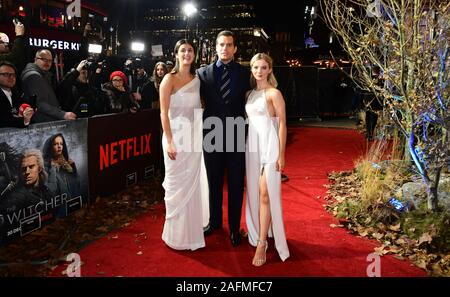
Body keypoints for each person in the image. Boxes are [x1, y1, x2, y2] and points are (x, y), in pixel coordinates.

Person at [197, 30, 250, 247]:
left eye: (229, 45)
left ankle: (235, 228)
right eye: (221, 44)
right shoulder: (202, 74)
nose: (225, 48)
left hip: (237, 133)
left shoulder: (246, 73)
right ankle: (215, 222)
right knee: (214, 183)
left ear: (235, 48)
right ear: (216, 47)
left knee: (237, 184)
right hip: (211, 134)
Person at [159, 39, 209, 250]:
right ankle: (176, 236)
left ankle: (192, 233)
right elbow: (163, 112)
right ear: (176, 54)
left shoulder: (197, 80)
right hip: (174, 139)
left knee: (193, 184)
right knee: (175, 186)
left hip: (193, 139)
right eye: (183, 50)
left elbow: (199, 109)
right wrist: (169, 141)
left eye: (190, 50)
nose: (187, 54)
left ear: (194, 55)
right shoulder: (168, 80)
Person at [245, 53, 290, 266]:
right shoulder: (250, 94)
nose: (259, 71)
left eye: (263, 67)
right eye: (256, 67)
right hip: (252, 147)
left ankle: (262, 243)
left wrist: (281, 154)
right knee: (255, 192)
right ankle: (261, 230)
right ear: (252, 69)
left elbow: (282, 124)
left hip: (270, 146)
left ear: (270, 69)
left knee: (265, 194)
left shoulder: (274, 93)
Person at [21, 49, 77, 123]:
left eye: (50, 60)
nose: (47, 63)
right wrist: (63, 114)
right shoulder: (34, 76)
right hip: (42, 122)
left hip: (44, 120)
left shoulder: (42, 75)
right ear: (35, 59)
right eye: (44, 59)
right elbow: (39, 103)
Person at [42, 133, 81, 217]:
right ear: (50, 147)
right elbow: (51, 189)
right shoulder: (45, 167)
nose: (59, 146)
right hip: (57, 211)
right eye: (55, 144)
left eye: (61, 144)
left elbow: (77, 184)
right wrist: (53, 168)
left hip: (72, 207)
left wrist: (73, 169)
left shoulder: (67, 164)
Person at [0, 61, 34, 128]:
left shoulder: (18, 95)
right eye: (6, 74)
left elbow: (31, 119)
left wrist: (28, 116)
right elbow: (4, 121)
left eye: (13, 74)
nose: (11, 77)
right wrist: (23, 119)